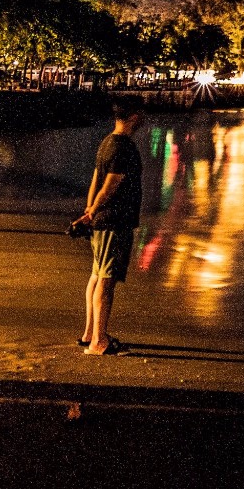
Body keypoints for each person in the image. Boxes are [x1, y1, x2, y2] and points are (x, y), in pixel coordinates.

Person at [79, 101, 146, 356]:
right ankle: (99, 341)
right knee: (106, 280)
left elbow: (96, 178)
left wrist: (89, 210)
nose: (143, 120)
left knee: (97, 274)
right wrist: (94, 210)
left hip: (101, 220)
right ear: (134, 117)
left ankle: (89, 333)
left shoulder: (108, 141)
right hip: (115, 220)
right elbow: (110, 183)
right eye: (141, 116)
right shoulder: (123, 146)